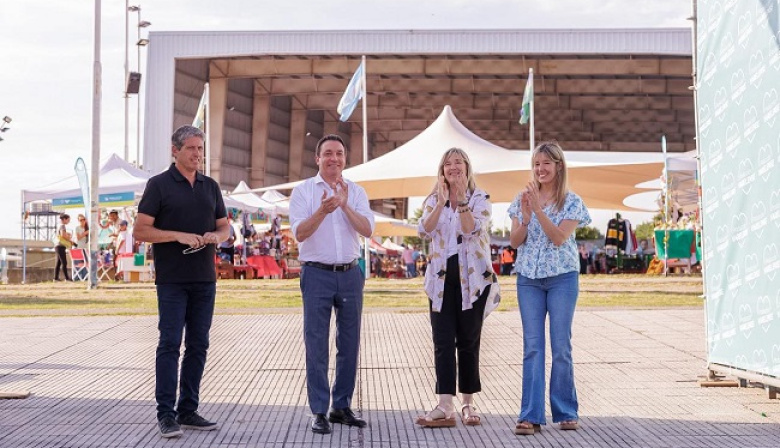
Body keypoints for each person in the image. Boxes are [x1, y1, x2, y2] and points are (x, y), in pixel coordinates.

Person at [133, 125, 230, 439]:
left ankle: (188, 410)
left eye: (200, 148)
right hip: (172, 280)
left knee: (199, 345)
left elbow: (225, 228)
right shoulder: (159, 185)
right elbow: (140, 231)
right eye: (191, 148)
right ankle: (166, 414)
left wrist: (217, 236)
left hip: (205, 279)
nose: (197, 154)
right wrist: (176, 235)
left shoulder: (210, 186)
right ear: (175, 151)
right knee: (170, 344)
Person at [289, 134, 375, 435]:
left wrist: (344, 206)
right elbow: (300, 233)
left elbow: (367, 229)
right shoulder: (303, 192)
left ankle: (341, 406)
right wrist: (324, 210)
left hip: (350, 274)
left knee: (349, 344)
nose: (334, 159)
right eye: (328, 153)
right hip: (316, 273)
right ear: (317, 158)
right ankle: (319, 410)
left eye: (339, 153)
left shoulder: (358, 192)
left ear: (345, 158)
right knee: (316, 343)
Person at [508, 141, 591, 436]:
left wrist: (539, 211)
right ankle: (530, 415)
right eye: (536, 164)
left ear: (558, 166)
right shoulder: (522, 199)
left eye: (546, 163)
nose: (540, 169)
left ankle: (566, 410)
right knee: (532, 347)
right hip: (528, 280)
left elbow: (558, 237)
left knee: (561, 346)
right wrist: (526, 217)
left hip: (562, 279)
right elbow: (515, 242)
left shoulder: (572, 202)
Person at [415, 147, 501, 428]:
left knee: (468, 341)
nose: (453, 167)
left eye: (459, 163)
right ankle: (444, 405)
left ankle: (467, 403)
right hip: (440, 280)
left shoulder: (481, 198)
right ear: (442, 170)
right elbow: (424, 230)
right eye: (448, 163)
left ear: (467, 168)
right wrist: (441, 202)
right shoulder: (432, 199)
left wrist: (461, 199)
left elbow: (470, 230)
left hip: (473, 280)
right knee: (442, 341)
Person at [53, 213, 74, 281]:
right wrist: (70, 240)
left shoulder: (58, 225)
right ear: (64, 219)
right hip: (60, 245)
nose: (68, 221)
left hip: (57, 245)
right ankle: (67, 278)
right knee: (64, 262)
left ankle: (55, 278)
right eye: (68, 220)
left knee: (58, 263)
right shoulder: (62, 226)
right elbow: (63, 235)